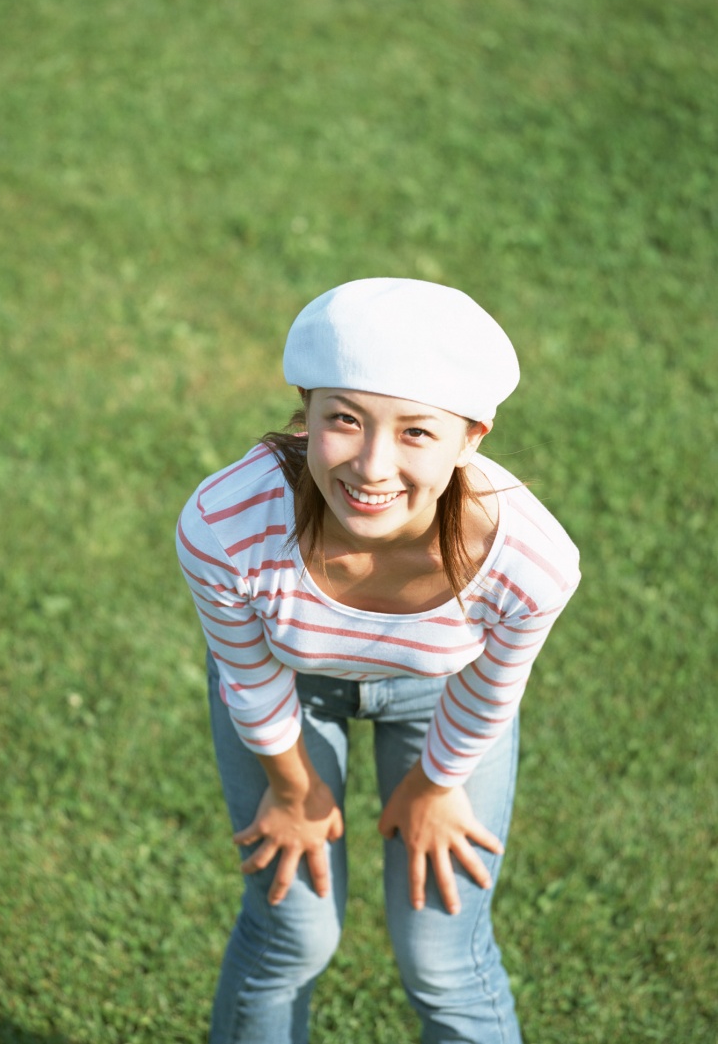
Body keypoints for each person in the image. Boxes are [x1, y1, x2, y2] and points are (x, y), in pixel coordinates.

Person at [176, 278, 580, 1044]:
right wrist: (294, 791)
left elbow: (493, 688)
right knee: (293, 934)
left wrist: (435, 785)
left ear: (472, 438)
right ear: (308, 411)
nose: (370, 465)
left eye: (416, 433)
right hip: (287, 688)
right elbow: (249, 676)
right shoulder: (224, 522)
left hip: (443, 697)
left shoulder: (531, 561)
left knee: (443, 957)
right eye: (345, 420)